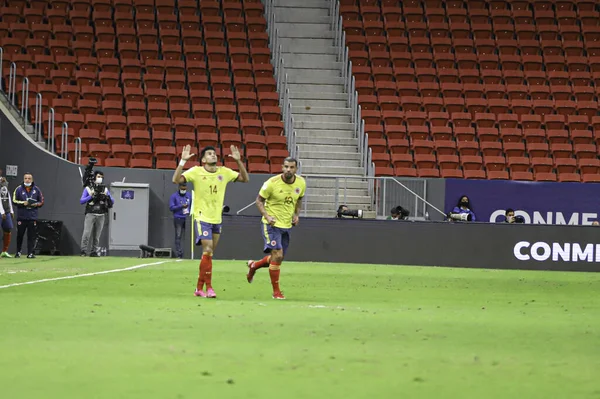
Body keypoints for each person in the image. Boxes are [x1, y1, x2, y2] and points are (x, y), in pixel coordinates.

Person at [172, 144, 249, 298]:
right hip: (202, 217)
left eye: (214, 153)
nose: (213, 155)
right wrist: (182, 161)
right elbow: (176, 180)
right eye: (209, 154)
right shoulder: (196, 171)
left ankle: (198, 288)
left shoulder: (224, 172)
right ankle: (209, 287)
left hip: (216, 218)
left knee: (209, 254)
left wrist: (239, 162)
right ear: (203, 159)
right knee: (207, 250)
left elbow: (245, 179)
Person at [246, 157, 306, 300]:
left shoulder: (301, 183)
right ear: (282, 167)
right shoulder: (271, 183)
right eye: (286, 167)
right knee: (277, 255)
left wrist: (296, 215)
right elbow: (259, 201)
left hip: (287, 225)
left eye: (291, 167)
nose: (288, 170)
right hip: (271, 225)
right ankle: (276, 292)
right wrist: (267, 216)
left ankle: (254, 266)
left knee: (277, 258)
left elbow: (299, 200)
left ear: (296, 169)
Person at [79, 170, 114, 257]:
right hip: (90, 213)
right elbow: (81, 201)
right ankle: (83, 250)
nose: (100, 179)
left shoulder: (104, 189)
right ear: (94, 177)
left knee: (97, 235)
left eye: (101, 177)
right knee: (86, 233)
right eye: (98, 177)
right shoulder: (88, 188)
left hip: (101, 214)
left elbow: (112, 201)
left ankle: (94, 251)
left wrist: (107, 197)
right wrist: (91, 196)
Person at [12, 172, 44, 258]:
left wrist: (36, 204)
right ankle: (18, 252)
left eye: (29, 178)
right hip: (21, 217)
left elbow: (41, 201)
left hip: (32, 216)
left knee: (31, 236)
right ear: (23, 179)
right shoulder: (18, 189)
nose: (27, 180)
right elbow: (14, 200)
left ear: (32, 180)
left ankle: (30, 253)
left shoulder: (36, 189)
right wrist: (23, 203)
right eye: (26, 178)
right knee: (20, 235)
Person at [169, 181, 192, 259]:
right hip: (178, 218)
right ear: (179, 187)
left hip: (187, 218)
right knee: (178, 236)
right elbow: (171, 207)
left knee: (189, 236)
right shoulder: (174, 196)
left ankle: (188, 253)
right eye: (182, 187)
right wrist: (181, 206)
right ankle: (179, 253)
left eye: (185, 187)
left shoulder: (189, 195)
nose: (183, 189)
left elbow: (192, 205)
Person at [0, 176, 14, 258]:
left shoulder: (4, 183)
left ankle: (4, 251)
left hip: (6, 211)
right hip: (1, 212)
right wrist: (2, 212)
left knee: (8, 229)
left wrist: (11, 210)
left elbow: (7, 197)